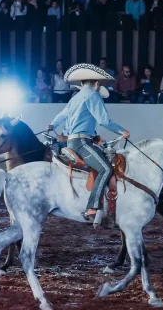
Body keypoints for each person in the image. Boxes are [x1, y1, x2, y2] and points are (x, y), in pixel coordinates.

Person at [48, 63, 129, 226]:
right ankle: (92, 207)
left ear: (82, 83)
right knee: (106, 168)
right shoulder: (93, 96)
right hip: (81, 142)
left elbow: (62, 115)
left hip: (73, 141)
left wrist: (52, 125)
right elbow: (104, 120)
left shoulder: (75, 98)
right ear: (97, 84)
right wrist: (122, 131)